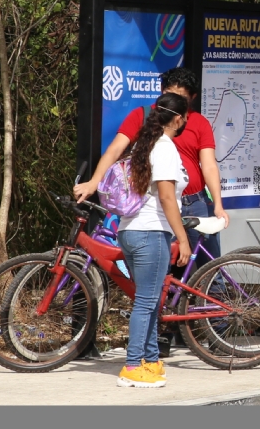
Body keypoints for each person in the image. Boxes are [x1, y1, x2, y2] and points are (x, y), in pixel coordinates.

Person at [75, 66, 227, 257]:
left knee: (210, 265)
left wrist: (218, 204)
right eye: (169, 95)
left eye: (182, 99)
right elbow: (114, 150)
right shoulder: (142, 115)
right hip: (159, 205)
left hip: (196, 203)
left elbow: (210, 165)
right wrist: (93, 183)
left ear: (193, 98)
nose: (174, 103)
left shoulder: (199, 122)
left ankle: (215, 288)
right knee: (163, 271)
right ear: (162, 92)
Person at [114, 93, 192, 388]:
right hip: (151, 231)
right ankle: (133, 366)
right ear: (177, 119)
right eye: (184, 117)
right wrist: (182, 239)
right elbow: (167, 197)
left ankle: (149, 359)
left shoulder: (143, 145)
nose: (185, 121)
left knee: (147, 300)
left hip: (130, 230)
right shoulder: (165, 147)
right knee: (147, 302)